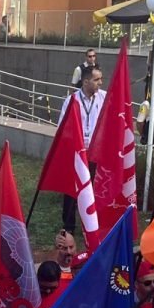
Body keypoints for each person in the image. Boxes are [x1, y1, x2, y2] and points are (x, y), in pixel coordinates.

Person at [58, 65, 105, 233]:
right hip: (77, 153)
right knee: (72, 190)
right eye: (97, 79)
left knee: (91, 188)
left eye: (101, 79)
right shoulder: (71, 101)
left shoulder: (102, 98)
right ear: (85, 82)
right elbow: (62, 128)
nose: (100, 83)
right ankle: (69, 226)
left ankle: (90, 223)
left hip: (94, 152)